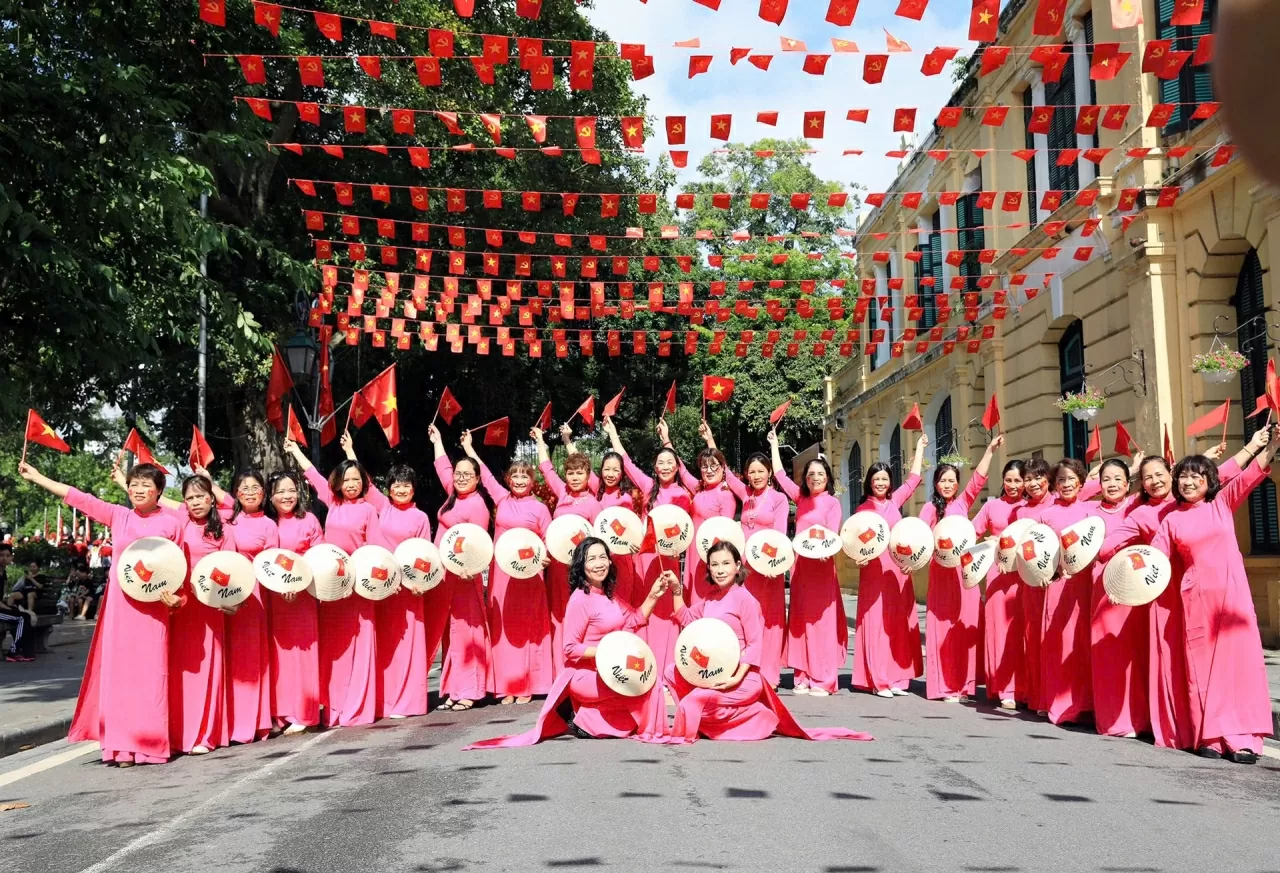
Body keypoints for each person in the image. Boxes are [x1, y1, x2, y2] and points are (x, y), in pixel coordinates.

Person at [20, 460, 183, 766]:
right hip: (120, 608)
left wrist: (177, 599)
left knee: (151, 675)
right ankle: (120, 747)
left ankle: (150, 742)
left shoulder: (172, 524)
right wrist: (38, 475)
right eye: (134, 484)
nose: (138, 489)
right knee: (120, 676)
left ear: (159, 491)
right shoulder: (118, 516)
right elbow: (80, 498)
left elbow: (179, 569)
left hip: (154, 611)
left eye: (146, 485)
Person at [1150, 427, 1280, 764]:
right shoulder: (1170, 519)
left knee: (1239, 667)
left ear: (1209, 480)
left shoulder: (1222, 503)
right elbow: (1153, 559)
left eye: (1196, 476)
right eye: (1183, 477)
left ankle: (1244, 739)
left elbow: (1252, 473)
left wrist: (1272, 445)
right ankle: (1209, 734)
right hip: (1195, 601)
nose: (1188, 482)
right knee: (1202, 669)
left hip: (1233, 599)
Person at [463, 538, 670, 749]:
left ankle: (586, 718)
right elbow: (570, 648)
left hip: (609, 668)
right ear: (581, 565)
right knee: (638, 689)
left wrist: (654, 595)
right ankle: (579, 709)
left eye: (602, 557)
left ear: (610, 560)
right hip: (584, 674)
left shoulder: (610, 597)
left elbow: (634, 621)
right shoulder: (580, 599)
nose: (599, 563)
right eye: (591, 559)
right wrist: (607, 652)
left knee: (645, 686)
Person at [659, 542, 873, 743]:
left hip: (743, 678)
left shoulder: (745, 599)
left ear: (737, 566)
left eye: (726, 563)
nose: (720, 570)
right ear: (709, 569)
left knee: (696, 699)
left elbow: (754, 644)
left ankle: (751, 716)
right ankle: (718, 719)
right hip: (714, 674)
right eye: (714, 565)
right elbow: (686, 619)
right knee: (671, 672)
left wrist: (735, 678)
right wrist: (677, 589)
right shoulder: (710, 598)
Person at [285, 438, 381, 727]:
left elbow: (374, 549)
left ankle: (359, 707)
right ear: (338, 483)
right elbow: (313, 476)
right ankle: (336, 708)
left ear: (363, 483)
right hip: (331, 587)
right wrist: (296, 452)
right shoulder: (333, 503)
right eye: (346, 479)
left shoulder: (369, 510)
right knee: (334, 649)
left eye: (356, 479)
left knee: (360, 646)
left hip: (359, 587)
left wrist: (365, 580)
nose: (351, 484)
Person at [342, 434, 433, 720]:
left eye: (406, 484)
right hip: (382, 589)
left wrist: (420, 583)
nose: (401, 488)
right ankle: (384, 702)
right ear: (389, 488)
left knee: (408, 648)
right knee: (386, 646)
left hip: (410, 590)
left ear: (413, 488)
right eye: (396, 484)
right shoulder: (381, 508)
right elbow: (363, 483)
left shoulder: (420, 518)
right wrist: (350, 451)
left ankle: (409, 703)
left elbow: (426, 555)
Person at [467, 432, 553, 705]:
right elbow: (485, 473)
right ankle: (505, 686)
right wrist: (469, 447)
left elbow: (549, 541)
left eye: (524, 476)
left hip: (529, 575)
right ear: (508, 480)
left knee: (527, 629)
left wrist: (546, 558)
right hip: (502, 575)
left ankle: (526, 685)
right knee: (503, 629)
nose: (519, 480)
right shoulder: (501, 500)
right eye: (514, 476)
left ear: (532, 482)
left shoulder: (540, 509)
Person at [605, 416, 691, 681]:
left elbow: (684, 531)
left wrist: (667, 440)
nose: (665, 467)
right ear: (654, 467)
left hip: (669, 558)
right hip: (645, 559)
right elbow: (627, 464)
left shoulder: (683, 495)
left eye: (670, 463)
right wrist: (613, 435)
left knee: (667, 613)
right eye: (660, 463)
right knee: (646, 610)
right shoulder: (648, 487)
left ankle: (667, 670)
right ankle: (645, 666)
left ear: (677, 467)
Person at [921, 435, 1002, 702]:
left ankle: (965, 685)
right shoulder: (929, 509)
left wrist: (989, 449)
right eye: (943, 480)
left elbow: (978, 479)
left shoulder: (962, 503)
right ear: (936, 483)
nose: (948, 484)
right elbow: (919, 538)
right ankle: (944, 685)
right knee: (943, 628)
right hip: (941, 574)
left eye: (952, 480)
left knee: (963, 625)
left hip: (964, 574)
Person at [850, 435, 928, 697]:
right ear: (869, 483)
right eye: (876, 479)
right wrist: (858, 558)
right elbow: (853, 541)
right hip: (873, 571)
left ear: (889, 482)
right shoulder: (862, 509)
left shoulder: (895, 502)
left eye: (884, 479)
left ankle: (897, 678)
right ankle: (879, 679)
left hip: (898, 570)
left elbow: (914, 479)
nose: (881, 483)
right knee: (876, 624)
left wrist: (918, 448)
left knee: (897, 623)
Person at [770, 428, 844, 696]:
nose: (815, 478)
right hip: (800, 568)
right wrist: (775, 446)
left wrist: (827, 549)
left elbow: (833, 534)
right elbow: (779, 475)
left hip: (822, 568)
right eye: (811, 474)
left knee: (822, 624)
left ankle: (823, 679)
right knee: (801, 621)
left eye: (820, 474)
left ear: (828, 478)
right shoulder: (800, 499)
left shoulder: (832, 503)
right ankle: (801, 675)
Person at [166, 474, 235, 755]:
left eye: (200, 496)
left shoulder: (224, 530)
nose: (195, 502)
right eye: (190, 498)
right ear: (184, 502)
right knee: (180, 671)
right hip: (180, 606)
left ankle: (205, 734)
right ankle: (177, 734)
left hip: (209, 606)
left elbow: (232, 569)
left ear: (211, 498)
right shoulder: (178, 524)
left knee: (207, 671)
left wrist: (234, 602)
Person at [428, 424, 494, 712]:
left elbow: (477, 544)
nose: (461, 477)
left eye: (468, 474)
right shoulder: (453, 496)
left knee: (468, 632)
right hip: (447, 576)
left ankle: (471, 689)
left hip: (465, 575)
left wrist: (471, 568)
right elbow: (443, 468)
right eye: (459, 474)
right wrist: (438, 441)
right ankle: (455, 688)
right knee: (452, 634)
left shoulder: (477, 505)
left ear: (478, 478)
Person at [1087, 458, 1149, 738]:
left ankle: (1143, 719)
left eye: (1117, 479)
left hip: (1138, 586)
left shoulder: (1139, 506)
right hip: (1105, 587)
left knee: (1138, 653)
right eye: (1106, 479)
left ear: (1128, 483)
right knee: (1110, 653)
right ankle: (1115, 720)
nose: (1112, 484)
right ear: (1099, 485)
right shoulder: (1089, 513)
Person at [1035, 458, 1098, 726]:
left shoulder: (1092, 510)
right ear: (1054, 484)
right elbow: (1036, 550)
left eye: (1071, 479)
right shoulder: (1046, 515)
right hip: (1059, 585)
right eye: (1061, 480)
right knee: (1060, 644)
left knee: (1084, 643)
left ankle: (1088, 703)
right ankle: (1062, 704)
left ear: (1081, 482)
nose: (1066, 484)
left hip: (1087, 586)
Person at [535, 426, 603, 668]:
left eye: (580, 473)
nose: (574, 477)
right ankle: (558, 669)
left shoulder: (594, 504)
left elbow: (598, 541)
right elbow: (546, 468)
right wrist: (542, 441)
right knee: (558, 614)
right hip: (556, 567)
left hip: (580, 571)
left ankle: (579, 666)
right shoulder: (562, 493)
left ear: (588, 475)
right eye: (571, 473)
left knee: (578, 616)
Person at [723, 449, 789, 689]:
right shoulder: (746, 495)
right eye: (752, 472)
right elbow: (727, 475)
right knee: (749, 621)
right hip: (747, 571)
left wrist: (776, 562)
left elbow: (780, 533)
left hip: (769, 567)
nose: (756, 475)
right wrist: (710, 440)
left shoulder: (779, 499)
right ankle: (749, 671)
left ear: (769, 472)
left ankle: (770, 675)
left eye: (761, 471)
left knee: (770, 621)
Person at [264, 469, 323, 734]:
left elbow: (320, 555)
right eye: (280, 491)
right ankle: (282, 711)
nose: (287, 496)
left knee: (303, 653)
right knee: (278, 654)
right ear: (270, 496)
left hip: (302, 596)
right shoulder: (266, 523)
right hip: (272, 598)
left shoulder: (309, 519)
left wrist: (298, 584)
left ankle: (305, 711)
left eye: (291, 490)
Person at [972, 459, 1026, 709]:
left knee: (1022, 631)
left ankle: (1027, 687)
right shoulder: (992, 507)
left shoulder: (1031, 507)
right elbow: (971, 533)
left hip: (1025, 575)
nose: (1013, 485)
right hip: (997, 573)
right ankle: (1005, 687)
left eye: (1018, 480)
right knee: (1000, 631)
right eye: (1008, 480)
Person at [671, 419, 739, 606]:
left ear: (722, 468)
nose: (709, 471)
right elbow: (682, 471)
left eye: (714, 466)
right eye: (704, 466)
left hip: (711, 556)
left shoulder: (726, 495)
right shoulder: (699, 489)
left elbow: (725, 532)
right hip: (693, 555)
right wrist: (667, 442)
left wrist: (710, 440)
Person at [1012, 457, 1054, 714]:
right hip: (1030, 584)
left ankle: (1054, 695)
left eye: (1038, 477)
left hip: (1057, 582)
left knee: (1054, 640)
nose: (1033, 483)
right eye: (1028, 479)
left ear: (1048, 478)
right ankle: (1037, 696)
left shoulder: (1058, 504)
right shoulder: (1020, 511)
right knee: (1033, 640)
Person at [594, 448, 644, 608]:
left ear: (622, 473)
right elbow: (578, 460)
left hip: (619, 557)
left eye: (616, 470)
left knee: (620, 603)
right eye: (607, 469)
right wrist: (567, 440)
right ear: (601, 470)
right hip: (598, 558)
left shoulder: (625, 499)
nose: (610, 474)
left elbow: (629, 530)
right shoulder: (596, 491)